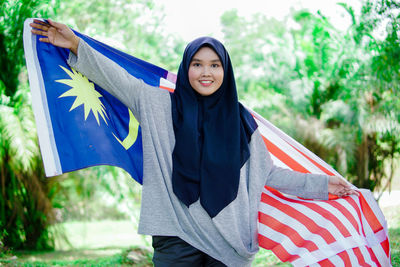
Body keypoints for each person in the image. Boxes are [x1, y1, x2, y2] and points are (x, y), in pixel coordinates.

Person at [30, 19, 359, 267]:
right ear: (186, 68)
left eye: (215, 65)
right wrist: (75, 44)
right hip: (175, 237)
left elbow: (268, 174)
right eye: (197, 64)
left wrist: (322, 185)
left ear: (225, 71)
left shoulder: (242, 120)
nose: (206, 72)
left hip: (229, 241)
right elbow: (116, 77)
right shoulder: (157, 105)